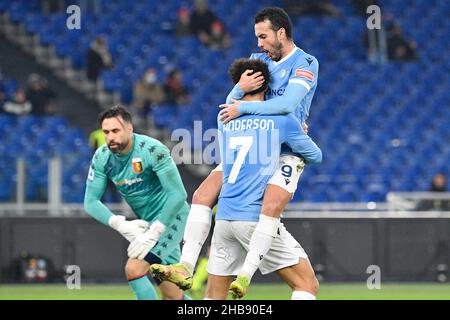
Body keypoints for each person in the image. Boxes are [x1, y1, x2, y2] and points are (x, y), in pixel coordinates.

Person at [150, 7, 320, 297]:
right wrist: (236, 93)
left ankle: (247, 271)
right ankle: (185, 265)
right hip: (255, 144)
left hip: (286, 149)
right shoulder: (258, 60)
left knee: (269, 208)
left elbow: (286, 105)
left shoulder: (305, 62)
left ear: (281, 33)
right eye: (257, 37)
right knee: (203, 195)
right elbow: (230, 108)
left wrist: (242, 105)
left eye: (263, 36)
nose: (259, 44)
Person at [205, 58, 322, 299]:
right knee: (306, 284)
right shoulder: (281, 121)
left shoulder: (225, 118)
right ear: (268, 88)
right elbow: (315, 156)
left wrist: (238, 89)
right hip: (254, 219)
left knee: (214, 296)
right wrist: (296, 136)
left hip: (225, 218)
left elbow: (231, 103)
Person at [83, 105, 191, 300]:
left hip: (172, 217)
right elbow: (90, 202)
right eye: (106, 132)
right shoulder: (102, 157)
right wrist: (120, 223)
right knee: (172, 295)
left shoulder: (153, 150)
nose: (110, 137)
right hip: (148, 222)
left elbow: (178, 194)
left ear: (130, 129)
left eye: (115, 131)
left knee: (134, 269)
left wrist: (155, 231)